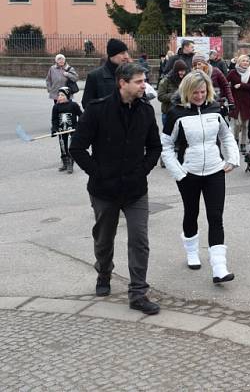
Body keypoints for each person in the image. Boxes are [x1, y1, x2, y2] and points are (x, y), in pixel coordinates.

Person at [69, 63, 162, 314]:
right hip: (104, 190)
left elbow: (155, 147)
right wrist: (99, 174)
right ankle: (104, 273)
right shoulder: (97, 111)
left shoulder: (145, 110)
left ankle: (138, 293)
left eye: (145, 81)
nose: (144, 85)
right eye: (139, 81)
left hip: (135, 190)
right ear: (123, 83)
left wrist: (142, 171)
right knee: (104, 238)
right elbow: (77, 148)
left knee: (139, 240)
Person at [161, 71, 239, 283]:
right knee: (191, 212)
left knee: (216, 217)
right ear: (187, 91)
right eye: (195, 92)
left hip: (215, 170)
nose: (199, 96)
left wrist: (232, 159)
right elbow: (166, 146)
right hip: (189, 173)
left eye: (203, 91)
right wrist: (178, 173)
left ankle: (219, 267)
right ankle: (192, 252)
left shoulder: (216, 108)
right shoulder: (176, 113)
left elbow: (226, 135)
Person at [82, 38, 130, 107]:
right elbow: (87, 104)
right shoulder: (95, 76)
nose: (126, 56)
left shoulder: (131, 74)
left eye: (126, 52)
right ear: (111, 55)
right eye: (122, 53)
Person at [227, 55, 250, 153]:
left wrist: (241, 85)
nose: (245, 62)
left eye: (247, 61)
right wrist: (229, 92)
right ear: (239, 62)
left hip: (247, 102)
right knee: (237, 124)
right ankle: (235, 140)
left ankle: (243, 144)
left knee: (245, 125)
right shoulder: (233, 72)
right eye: (243, 61)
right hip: (235, 101)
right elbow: (225, 83)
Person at [51, 87, 82, 173]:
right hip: (61, 131)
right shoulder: (56, 107)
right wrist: (54, 129)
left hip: (71, 131)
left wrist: (80, 126)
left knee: (70, 147)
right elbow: (54, 119)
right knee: (63, 147)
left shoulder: (73, 105)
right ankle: (64, 162)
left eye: (62, 95)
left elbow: (81, 116)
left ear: (67, 96)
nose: (59, 97)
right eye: (59, 95)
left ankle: (70, 164)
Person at [157, 61, 187, 126]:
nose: (183, 73)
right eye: (180, 71)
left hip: (182, 113)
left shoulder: (185, 80)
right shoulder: (166, 80)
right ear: (176, 71)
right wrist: (175, 96)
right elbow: (160, 96)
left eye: (184, 71)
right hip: (168, 114)